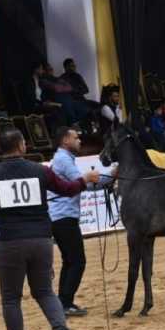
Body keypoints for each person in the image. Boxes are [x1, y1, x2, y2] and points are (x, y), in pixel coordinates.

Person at [0, 128, 100, 330]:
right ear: (21, 146)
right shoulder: (40, 170)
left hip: (11, 242)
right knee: (44, 292)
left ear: (0, 150)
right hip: (41, 240)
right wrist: (84, 180)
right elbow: (67, 189)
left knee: (11, 299)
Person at [48, 127, 116, 317]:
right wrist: (112, 174)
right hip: (64, 217)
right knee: (77, 261)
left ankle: (63, 302)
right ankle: (65, 303)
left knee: (70, 261)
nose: (80, 141)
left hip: (60, 217)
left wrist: (106, 178)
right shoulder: (63, 160)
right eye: (76, 138)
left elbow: (82, 185)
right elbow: (82, 182)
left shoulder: (63, 159)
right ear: (65, 141)